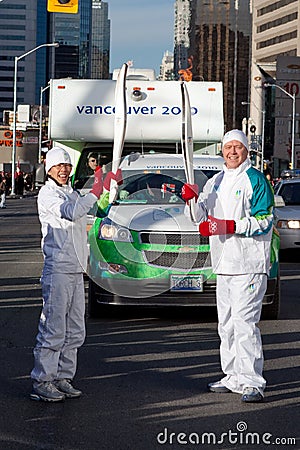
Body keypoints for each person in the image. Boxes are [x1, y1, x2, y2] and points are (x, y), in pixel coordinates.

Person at [182, 129, 274, 403]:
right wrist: (190, 198)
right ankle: (233, 375)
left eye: (238, 147)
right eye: (228, 147)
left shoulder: (254, 179)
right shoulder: (216, 181)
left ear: (247, 150)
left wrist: (231, 226)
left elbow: (266, 220)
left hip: (249, 263)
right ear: (221, 151)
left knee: (245, 323)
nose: (232, 151)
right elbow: (198, 219)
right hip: (223, 263)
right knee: (226, 325)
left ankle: (252, 382)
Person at [30, 146, 120, 402]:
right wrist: (95, 189)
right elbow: (71, 213)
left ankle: (63, 377)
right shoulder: (48, 195)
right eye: (59, 166)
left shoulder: (73, 192)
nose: (64, 170)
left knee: (75, 329)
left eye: (67, 166)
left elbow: (90, 211)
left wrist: (107, 190)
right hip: (57, 269)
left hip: (76, 269)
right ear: (49, 169)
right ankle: (42, 380)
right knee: (53, 327)